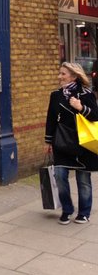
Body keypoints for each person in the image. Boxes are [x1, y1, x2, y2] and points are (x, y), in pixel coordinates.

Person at [45, 62, 98, 224]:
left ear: (74, 76)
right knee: (60, 176)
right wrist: (48, 141)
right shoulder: (56, 95)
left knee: (83, 180)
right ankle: (67, 209)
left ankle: (84, 212)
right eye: (59, 73)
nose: (59, 77)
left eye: (63, 74)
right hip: (61, 141)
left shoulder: (86, 94)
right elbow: (51, 119)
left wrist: (81, 107)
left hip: (83, 143)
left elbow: (95, 116)